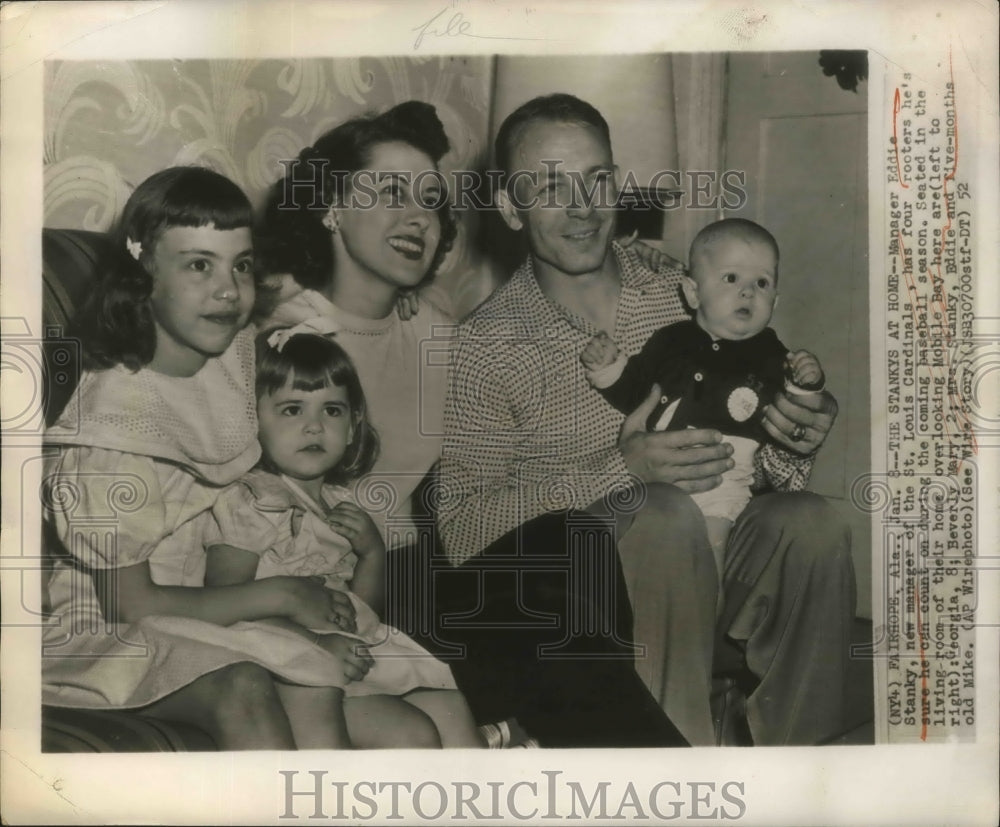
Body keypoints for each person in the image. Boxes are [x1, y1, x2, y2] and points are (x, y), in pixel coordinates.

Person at [257, 101, 684, 747]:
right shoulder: (279, 339)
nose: (416, 219)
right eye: (390, 192)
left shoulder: (437, 329)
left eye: (430, 201)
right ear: (330, 207)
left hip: (422, 579)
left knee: (571, 543)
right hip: (344, 587)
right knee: (547, 591)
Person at [438, 93, 856, 746]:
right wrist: (619, 470)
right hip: (595, 599)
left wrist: (796, 423)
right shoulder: (486, 342)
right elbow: (461, 529)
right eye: (550, 185)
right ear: (509, 207)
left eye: (597, 179)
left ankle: (804, 778)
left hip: (719, 550)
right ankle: (672, 778)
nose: (582, 207)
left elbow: (757, 443)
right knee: (656, 511)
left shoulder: (681, 289)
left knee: (813, 524)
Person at [43, 166, 360, 750]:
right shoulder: (112, 434)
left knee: (321, 675)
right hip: (107, 628)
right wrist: (282, 595)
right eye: (197, 264)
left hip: (195, 604)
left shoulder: (223, 352)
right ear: (142, 275)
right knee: (247, 681)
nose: (227, 290)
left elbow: (287, 303)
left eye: (240, 265)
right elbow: (130, 603)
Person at [204, 328, 483, 747]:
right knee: (413, 733)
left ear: (353, 427)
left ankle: (483, 804)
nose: (314, 427)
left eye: (332, 411)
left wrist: (371, 553)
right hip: (286, 673)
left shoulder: (341, 504)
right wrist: (315, 642)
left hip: (347, 658)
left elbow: (362, 611)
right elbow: (225, 602)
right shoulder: (253, 501)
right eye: (292, 409)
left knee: (454, 707)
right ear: (253, 420)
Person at [581, 218, 826, 580]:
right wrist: (607, 367)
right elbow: (635, 390)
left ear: (774, 301)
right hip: (657, 471)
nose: (748, 292)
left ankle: (705, 620)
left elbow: (793, 413)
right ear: (693, 293)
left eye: (762, 283)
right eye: (731, 279)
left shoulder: (772, 353)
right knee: (640, 553)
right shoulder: (669, 340)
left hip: (722, 472)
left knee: (709, 557)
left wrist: (808, 382)